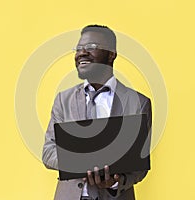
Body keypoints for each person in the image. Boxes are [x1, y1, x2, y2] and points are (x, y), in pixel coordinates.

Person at [42, 25, 152, 200]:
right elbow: (48, 152)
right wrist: (81, 162)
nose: (82, 53)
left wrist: (115, 182)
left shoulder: (138, 102)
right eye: (78, 49)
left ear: (111, 54)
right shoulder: (63, 100)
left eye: (91, 47)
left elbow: (139, 166)